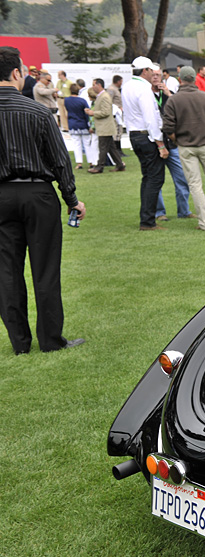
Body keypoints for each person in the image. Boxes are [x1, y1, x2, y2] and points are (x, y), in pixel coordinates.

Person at [0, 46, 87, 354]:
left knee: (6, 271)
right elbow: (60, 159)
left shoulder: (36, 110)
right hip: (38, 192)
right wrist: (72, 198)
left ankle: (19, 343)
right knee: (45, 268)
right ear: (16, 73)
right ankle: (50, 339)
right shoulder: (38, 112)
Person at [162, 66, 205, 231]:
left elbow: (167, 127)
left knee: (195, 185)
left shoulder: (174, 100)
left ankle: (204, 223)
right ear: (194, 79)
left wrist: (176, 140)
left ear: (180, 79)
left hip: (186, 147)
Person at [122, 56, 169, 230]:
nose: (153, 75)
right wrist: (160, 144)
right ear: (145, 71)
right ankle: (148, 220)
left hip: (134, 135)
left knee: (148, 177)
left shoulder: (127, 86)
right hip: (146, 136)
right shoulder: (143, 89)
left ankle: (147, 218)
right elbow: (150, 118)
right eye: (151, 71)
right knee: (155, 178)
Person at [150, 69, 192, 222]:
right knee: (156, 179)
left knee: (182, 177)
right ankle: (159, 212)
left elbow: (181, 108)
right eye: (153, 75)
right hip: (153, 142)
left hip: (171, 143)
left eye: (158, 75)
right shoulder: (146, 95)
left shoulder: (169, 94)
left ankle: (184, 211)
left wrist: (168, 93)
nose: (155, 78)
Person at [88, 78, 125, 172]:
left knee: (103, 148)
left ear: (99, 85)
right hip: (105, 127)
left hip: (105, 127)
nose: (93, 87)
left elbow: (106, 112)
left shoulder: (104, 96)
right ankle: (120, 165)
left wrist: (93, 113)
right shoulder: (101, 96)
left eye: (94, 85)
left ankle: (99, 167)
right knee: (111, 148)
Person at [64, 83, 99, 172]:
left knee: (76, 144)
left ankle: (79, 163)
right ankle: (91, 162)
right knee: (87, 144)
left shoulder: (66, 100)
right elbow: (87, 113)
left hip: (72, 124)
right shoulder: (82, 101)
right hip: (83, 124)